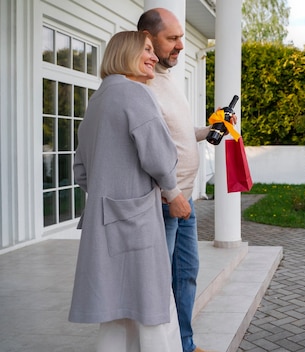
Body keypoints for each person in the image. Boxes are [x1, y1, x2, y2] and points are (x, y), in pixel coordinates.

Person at [69, 31, 182, 352]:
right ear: (125, 54)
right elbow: (160, 156)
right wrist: (173, 193)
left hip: (104, 220)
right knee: (153, 306)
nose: (154, 57)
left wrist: (113, 189)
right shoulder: (136, 94)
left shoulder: (98, 101)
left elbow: (80, 171)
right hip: (137, 224)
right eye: (146, 49)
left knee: (117, 310)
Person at [137, 8, 232, 352]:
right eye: (172, 38)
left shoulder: (168, 80)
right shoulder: (142, 85)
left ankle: (185, 345)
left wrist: (209, 130)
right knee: (160, 284)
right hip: (165, 202)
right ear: (148, 39)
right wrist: (170, 191)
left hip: (185, 201)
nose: (180, 45)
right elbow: (145, 149)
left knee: (186, 277)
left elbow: (176, 135)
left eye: (180, 37)